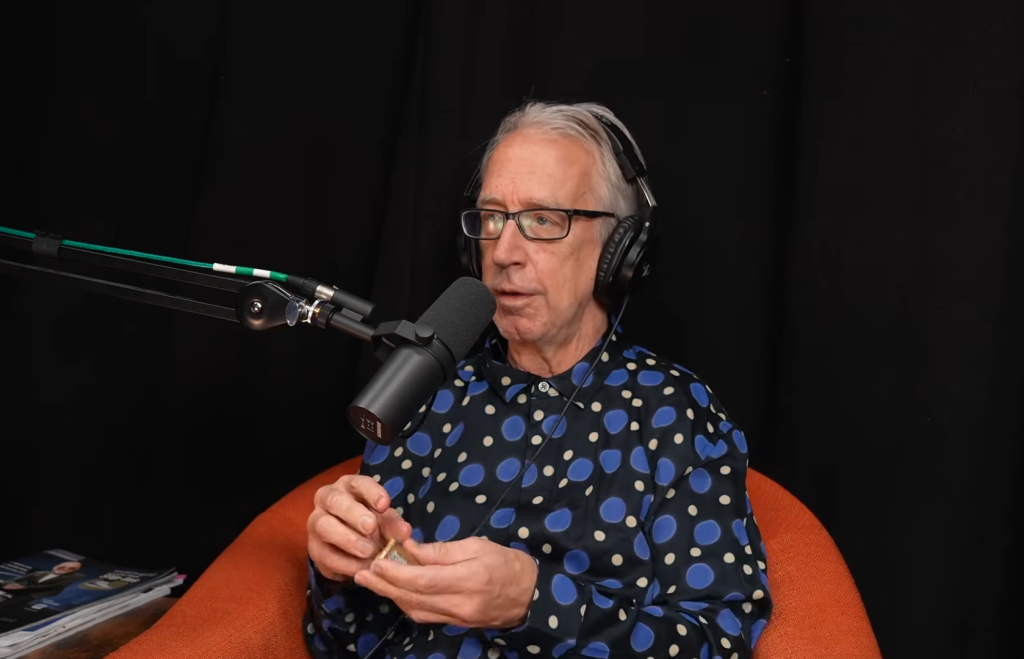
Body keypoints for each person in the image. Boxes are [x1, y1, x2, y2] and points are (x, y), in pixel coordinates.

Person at [303, 101, 773, 659]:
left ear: (620, 250)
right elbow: (347, 642)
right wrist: (338, 570)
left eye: (543, 220)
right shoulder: (430, 388)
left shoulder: (673, 411)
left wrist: (534, 604)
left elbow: (720, 639)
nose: (502, 252)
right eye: (492, 217)